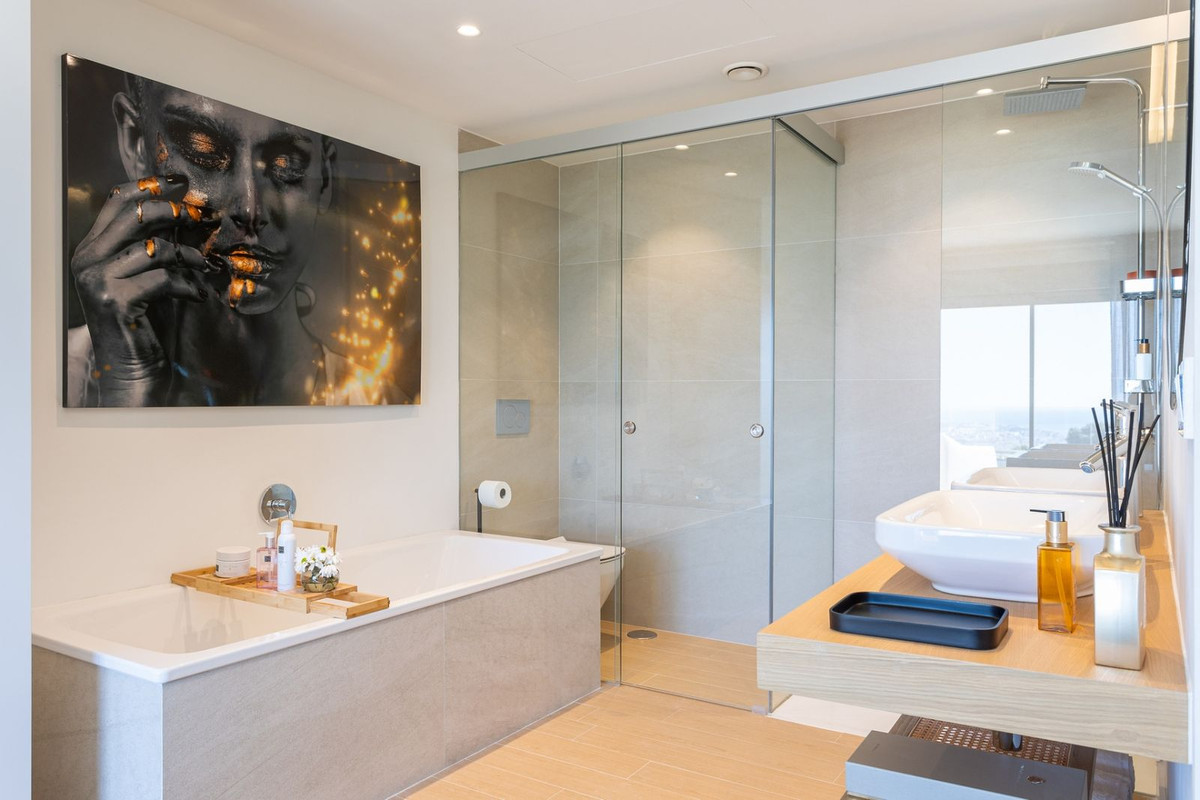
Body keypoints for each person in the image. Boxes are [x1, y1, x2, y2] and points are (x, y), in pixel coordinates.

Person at [66, 72, 400, 406]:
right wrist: (128, 386)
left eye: (287, 164)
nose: (251, 209)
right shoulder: (57, 381)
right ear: (135, 142)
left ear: (325, 177)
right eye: (204, 151)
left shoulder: (377, 401)